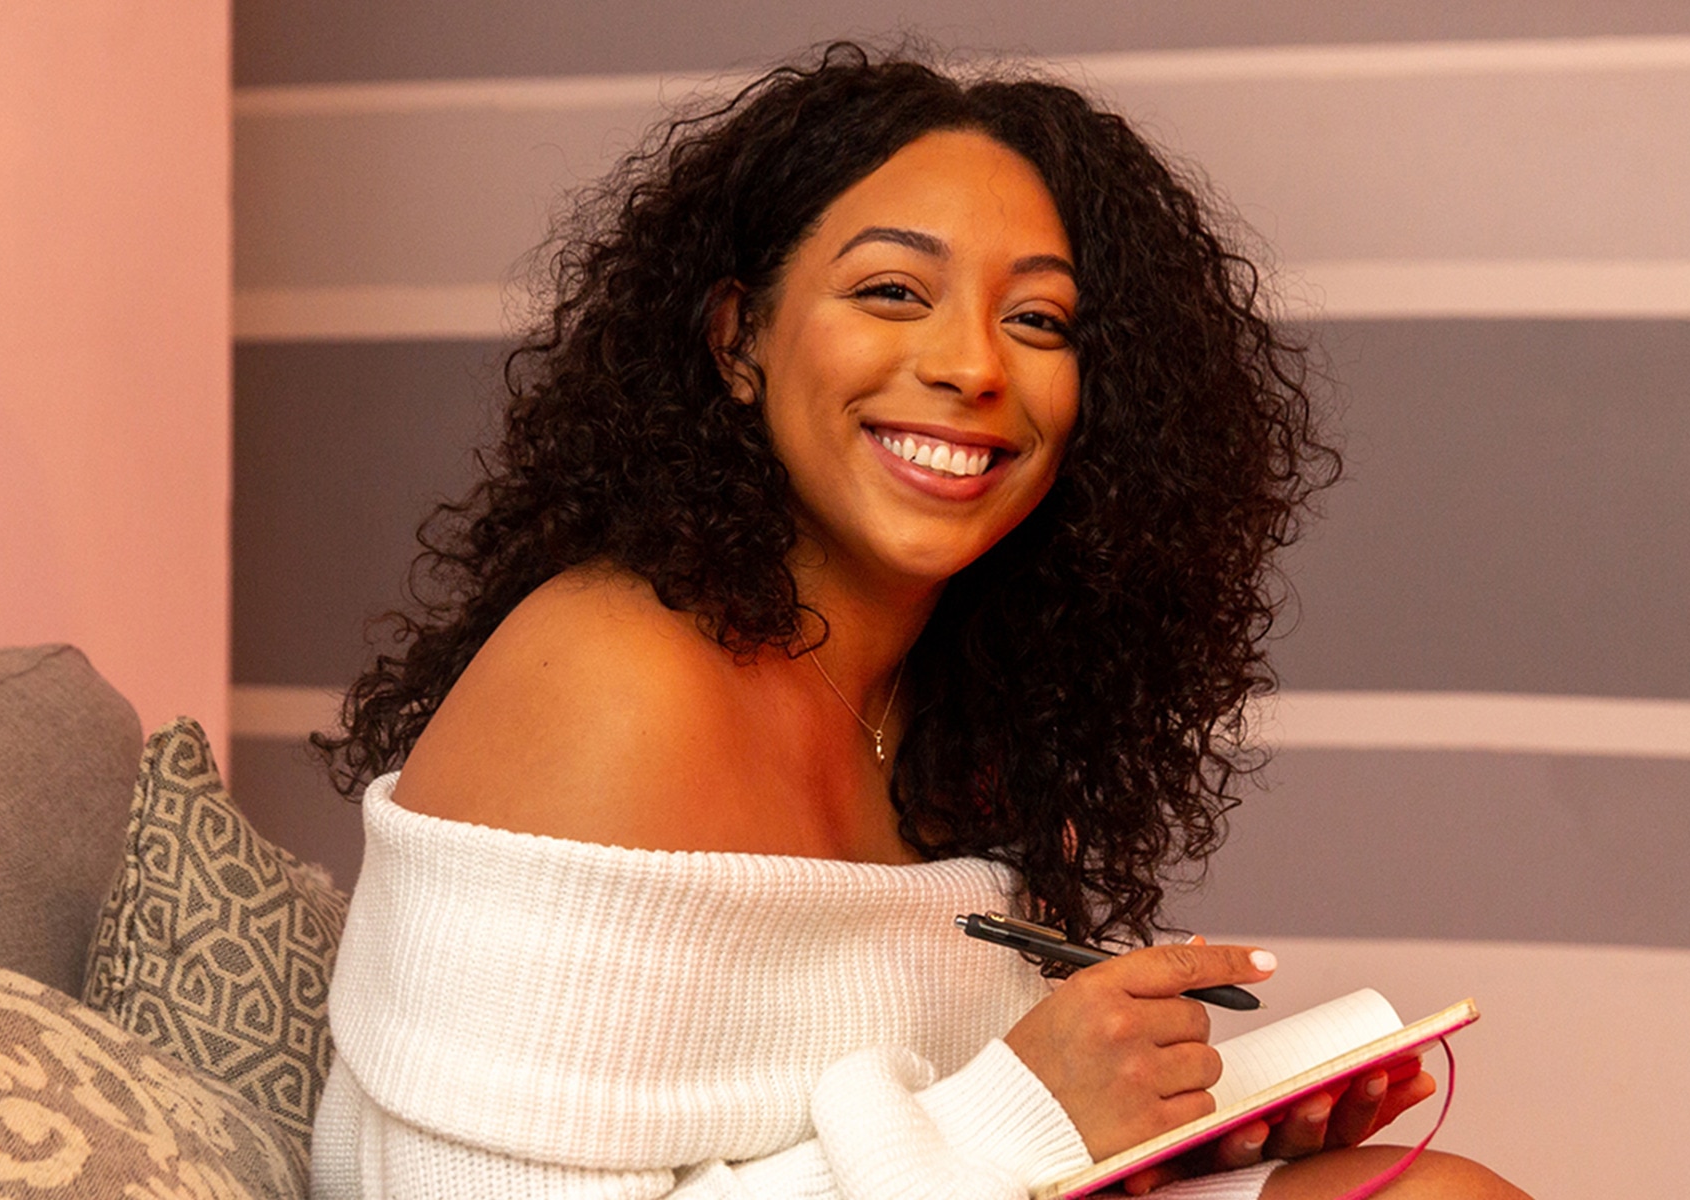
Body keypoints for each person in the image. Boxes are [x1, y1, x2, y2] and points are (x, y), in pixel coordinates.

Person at [308, 42, 1530, 1200]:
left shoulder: (962, 700)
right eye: (893, 292)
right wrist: (1030, 1112)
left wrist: (1172, 1133)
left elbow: (890, 1139)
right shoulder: (608, 675)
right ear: (738, 338)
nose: (971, 367)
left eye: (1038, 320)